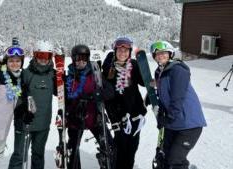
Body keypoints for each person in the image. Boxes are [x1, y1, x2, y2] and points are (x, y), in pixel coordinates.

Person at [150, 40, 207, 169]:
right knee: (163, 156)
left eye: (164, 53)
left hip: (189, 124)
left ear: (170, 54)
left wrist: (168, 117)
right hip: (173, 123)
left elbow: (177, 97)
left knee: (175, 160)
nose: (160, 56)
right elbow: (164, 96)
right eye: (157, 54)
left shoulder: (177, 70)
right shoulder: (160, 72)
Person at [8, 40, 57, 169]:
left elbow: (64, 93)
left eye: (46, 56)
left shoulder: (53, 75)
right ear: (35, 56)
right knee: (19, 155)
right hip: (24, 122)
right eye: (40, 56)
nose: (43, 60)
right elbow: (7, 81)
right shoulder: (25, 73)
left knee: (38, 155)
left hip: (43, 124)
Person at [65, 44, 115, 169]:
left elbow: (110, 92)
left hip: (95, 119)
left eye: (84, 58)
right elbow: (61, 95)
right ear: (73, 59)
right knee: (73, 154)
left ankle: (107, 164)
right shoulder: (68, 77)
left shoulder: (96, 74)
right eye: (78, 58)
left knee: (110, 147)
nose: (81, 61)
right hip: (75, 120)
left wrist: (97, 94)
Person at [102, 36, 147, 169]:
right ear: (115, 51)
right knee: (120, 150)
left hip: (136, 115)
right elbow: (107, 98)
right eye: (120, 50)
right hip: (120, 118)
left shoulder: (133, 65)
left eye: (126, 51)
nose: (123, 53)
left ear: (129, 52)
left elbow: (144, 83)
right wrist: (114, 118)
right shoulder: (108, 69)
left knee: (132, 149)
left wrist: (148, 75)